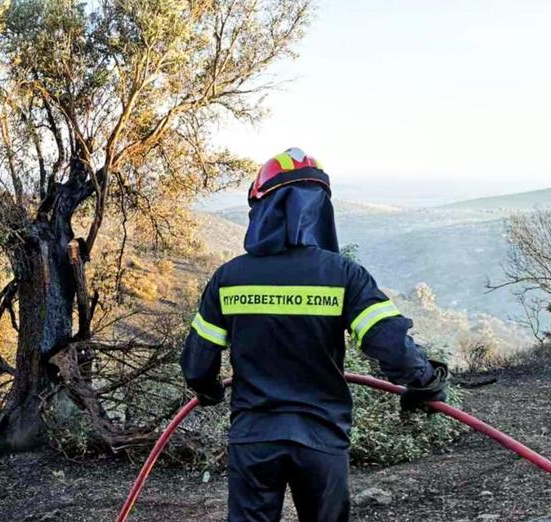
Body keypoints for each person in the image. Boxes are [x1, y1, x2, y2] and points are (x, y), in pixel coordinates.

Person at [180, 148, 449, 522]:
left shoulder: (229, 278)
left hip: (255, 439)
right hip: (322, 440)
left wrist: (208, 390)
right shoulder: (344, 275)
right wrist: (426, 381)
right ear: (320, 209)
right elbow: (390, 344)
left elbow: (197, 367)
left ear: (261, 207)